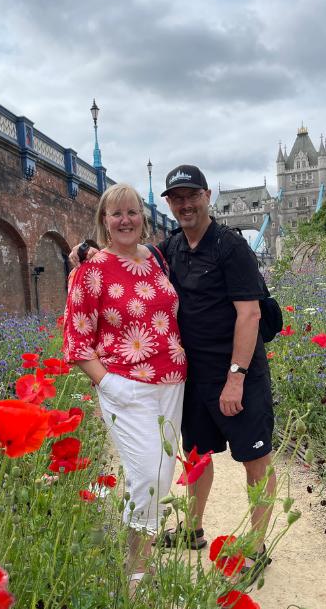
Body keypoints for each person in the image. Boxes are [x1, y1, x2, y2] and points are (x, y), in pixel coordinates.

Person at [70, 165, 276, 578]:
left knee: (255, 458)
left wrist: (236, 376)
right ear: (166, 204)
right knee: (197, 455)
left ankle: (256, 546)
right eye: (176, 198)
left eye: (192, 196)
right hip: (191, 376)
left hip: (237, 371)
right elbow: (122, 265)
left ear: (206, 196)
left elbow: (251, 314)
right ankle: (193, 528)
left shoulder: (231, 247)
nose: (185, 204)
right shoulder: (171, 249)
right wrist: (89, 254)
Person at [62, 183, 186, 592]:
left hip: (170, 384)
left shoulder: (155, 260)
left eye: (132, 212)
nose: (125, 220)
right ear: (104, 221)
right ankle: (136, 572)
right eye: (116, 214)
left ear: (143, 219)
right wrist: (109, 383)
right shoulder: (90, 271)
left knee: (161, 476)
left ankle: (139, 561)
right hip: (126, 387)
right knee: (147, 475)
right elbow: (77, 339)